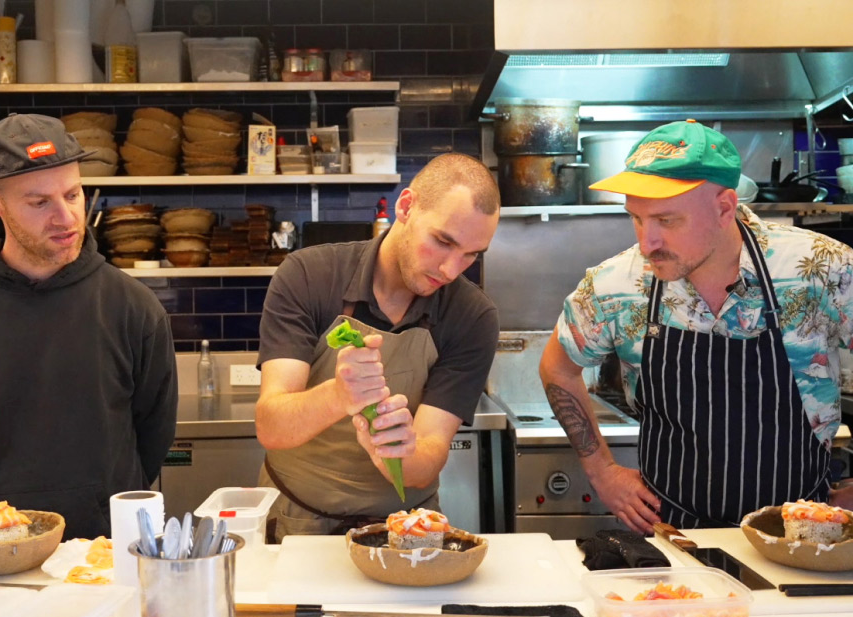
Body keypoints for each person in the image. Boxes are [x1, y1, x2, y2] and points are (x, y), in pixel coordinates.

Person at [540, 119, 853, 534]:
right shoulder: (616, 285)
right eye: (636, 217)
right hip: (674, 536)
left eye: (667, 221)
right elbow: (557, 368)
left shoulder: (822, 269)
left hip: (803, 533)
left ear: (724, 208)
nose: (647, 242)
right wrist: (602, 472)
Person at [0, 113, 178, 539]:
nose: (65, 217)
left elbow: (153, 435)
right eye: (39, 202)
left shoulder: (133, 309)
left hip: (100, 554)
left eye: (73, 194)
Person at [255, 153, 501, 541]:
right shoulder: (308, 276)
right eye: (442, 242)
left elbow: (429, 456)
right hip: (296, 525)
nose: (451, 270)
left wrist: (396, 450)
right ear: (406, 207)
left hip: (406, 531)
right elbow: (271, 427)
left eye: (471, 254)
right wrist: (339, 395)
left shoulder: (472, 315)